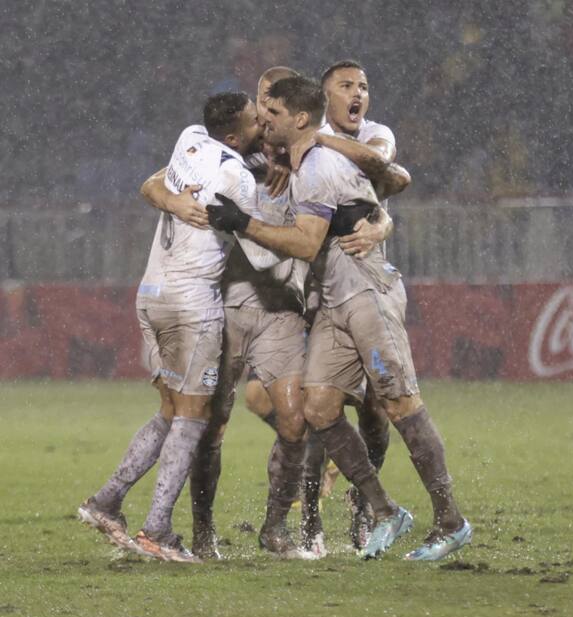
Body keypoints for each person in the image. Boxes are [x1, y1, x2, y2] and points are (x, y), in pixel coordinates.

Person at [210, 75, 472, 561]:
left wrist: (241, 223)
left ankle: (450, 520)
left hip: (366, 290)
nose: (263, 120)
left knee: (398, 404)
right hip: (330, 299)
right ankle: (384, 509)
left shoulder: (320, 163)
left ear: (300, 118)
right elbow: (384, 186)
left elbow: (310, 241)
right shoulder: (300, 161)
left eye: (273, 114)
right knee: (319, 409)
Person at [78, 92, 265, 562]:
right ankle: (158, 529)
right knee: (193, 416)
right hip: (191, 303)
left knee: (169, 409)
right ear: (234, 136)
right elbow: (261, 246)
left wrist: (170, 199)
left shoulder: (189, 139)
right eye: (255, 119)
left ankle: (106, 501)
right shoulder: (237, 176)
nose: (263, 121)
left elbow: (154, 183)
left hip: (151, 294)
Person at [245, 59, 408, 551]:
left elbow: (391, 174)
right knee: (310, 405)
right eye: (346, 86)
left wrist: (383, 224)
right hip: (310, 294)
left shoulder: (372, 134)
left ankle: (365, 510)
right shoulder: (276, 147)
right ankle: (309, 517)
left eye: (362, 86)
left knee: (378, 409)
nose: (357, 94)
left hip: (367, 285)